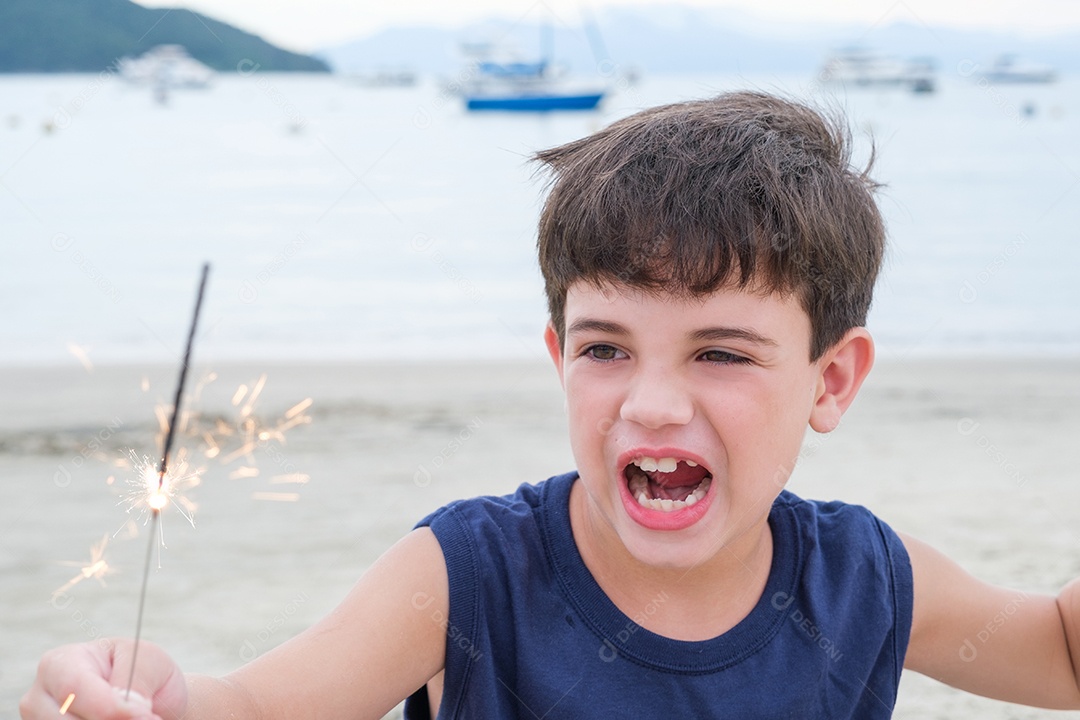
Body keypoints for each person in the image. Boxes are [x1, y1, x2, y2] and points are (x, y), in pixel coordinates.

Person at [21, 91, 1080, 719]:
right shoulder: (468, 577)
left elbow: (1061, 656)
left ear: (831, 380)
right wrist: (146, 694)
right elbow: (255, 708)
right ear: (556, 355)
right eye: (606, 348)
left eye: (720, 352)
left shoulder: (864, 583)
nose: (652, 404)